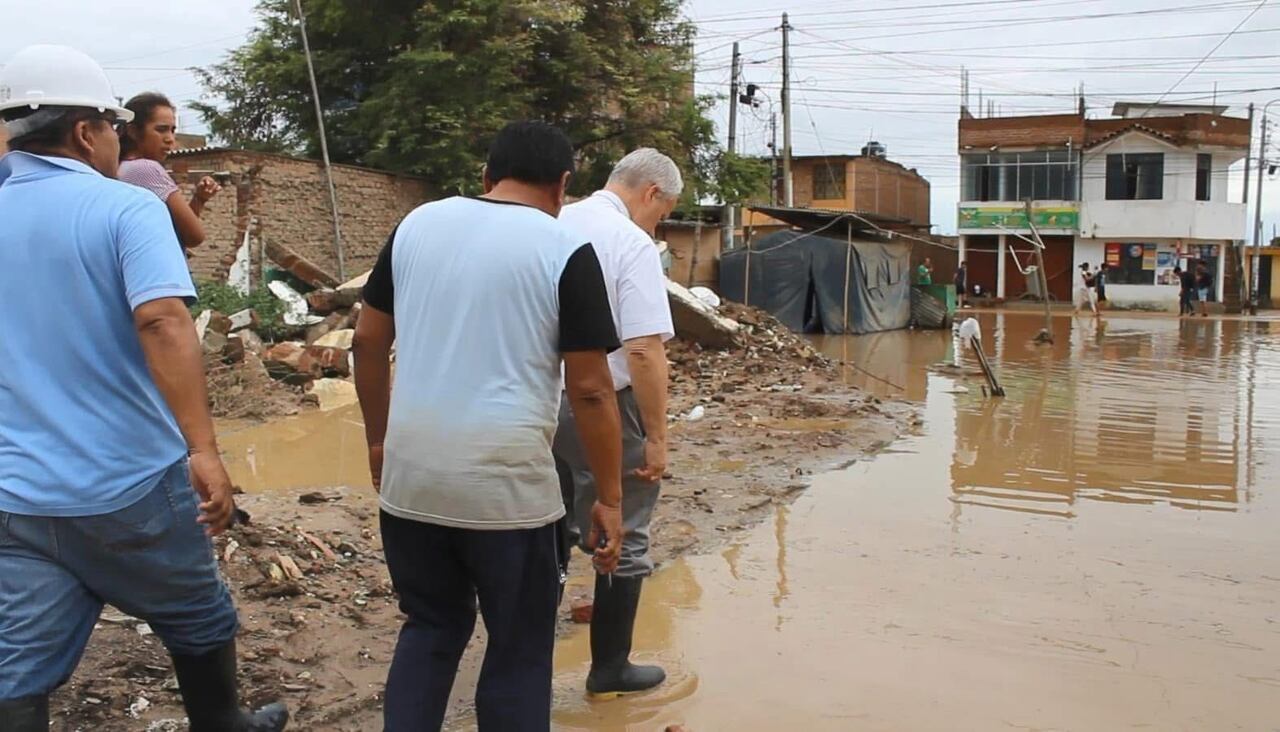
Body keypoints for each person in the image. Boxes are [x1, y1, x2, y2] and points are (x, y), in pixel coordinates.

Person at [0, 45, 287, 732]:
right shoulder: (127, 209)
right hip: (127, 481)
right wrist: (205, 449)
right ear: (85, 132)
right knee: (198, 616)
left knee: (18, 666)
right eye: (113, 127)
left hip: (19, 494)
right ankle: (224, 724)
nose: (117, 140)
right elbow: (162, 320)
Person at [352, 121, 626, 731]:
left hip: (412, 479)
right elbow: (590, 390)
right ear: (563, 185)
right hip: (508, 491)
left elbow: (367, 343)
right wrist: (608, 498)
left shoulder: (416, 225)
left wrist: (378, 440)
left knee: (431, 627)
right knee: (519, 648)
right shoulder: (564, 248)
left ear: (486, 176)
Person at [552, 149, 679, 698]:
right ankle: (609, 668)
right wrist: (657, 437)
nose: (658, 227)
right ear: (651, 193)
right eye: (663, 214)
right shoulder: (630, 242)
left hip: (538, 401)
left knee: (550, 530)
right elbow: (644, 350)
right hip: (603, 403)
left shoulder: (553, 220)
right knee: (624, 531)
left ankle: (527, 658)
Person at [117, 92, 221, 250]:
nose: (170, 139)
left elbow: (178, 230)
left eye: (172, 130)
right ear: (133, 131)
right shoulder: (145, 169)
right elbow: (194, 237)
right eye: (161, 130)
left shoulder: (120, 168)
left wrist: (199, 199)